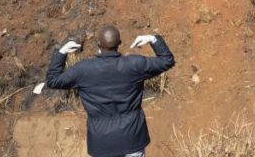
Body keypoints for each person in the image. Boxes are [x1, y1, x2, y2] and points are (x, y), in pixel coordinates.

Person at [46, 26, 175, 157]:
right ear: (119, 43)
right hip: (132, 140)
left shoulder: (83, 69)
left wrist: (62, 52)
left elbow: (53, 80)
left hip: (101, 143)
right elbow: (167, 60)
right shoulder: (134, 64)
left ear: (98, 44)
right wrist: (153, 39)